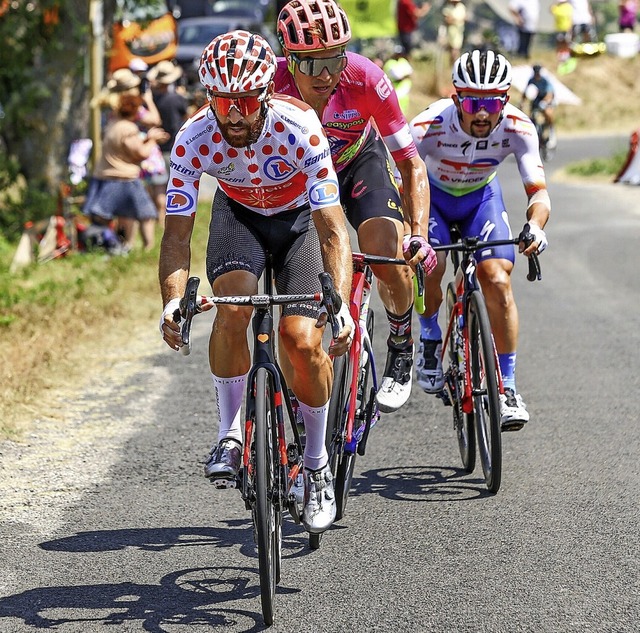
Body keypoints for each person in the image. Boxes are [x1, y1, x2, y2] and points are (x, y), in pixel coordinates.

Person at [158, 30, 355, 535]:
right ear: (210, 99)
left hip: (298, 223)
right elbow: (177, 237)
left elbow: (333, 227)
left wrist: (341, 305)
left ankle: (315, 465)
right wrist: (171, 303)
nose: (237, 115)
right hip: (239, 217)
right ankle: (228, 433)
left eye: (247, 101)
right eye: (225, 103)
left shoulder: (300, 126)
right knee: (232, 309)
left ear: (266, 93)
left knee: (301, 339)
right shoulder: (193, 137)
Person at [275, 0, 437, 414]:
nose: (326, 74)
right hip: (297, 180)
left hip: (356, 164)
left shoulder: (366, 78)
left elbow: (410, 162)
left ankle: (400, 343)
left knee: (387, 251)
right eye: (311, 64)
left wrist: (417, 231)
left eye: (334, 58)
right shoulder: (272, 86)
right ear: (289, 59)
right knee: (304, 280)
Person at [408, 49, 550, 430]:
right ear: (456, 99)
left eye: (492, 102)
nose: (483, 113)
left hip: (480, 199)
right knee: (429, 266)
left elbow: (538, 192)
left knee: (498, 278)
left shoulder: (519, 127)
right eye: (473, 102)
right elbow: (402, 181)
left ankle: (506, 387)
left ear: (505, 100)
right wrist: (412, 232)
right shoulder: (427, 127)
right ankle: (431, 337)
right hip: (433, 200)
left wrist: (535, 227)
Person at [84, 88, 169, 251]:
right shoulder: (128, 129)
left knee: (120, 215)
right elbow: (141, 153)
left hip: (109, 176)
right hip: (124, 177)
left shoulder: (113, 123)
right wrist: (152, 139)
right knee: (147, 213)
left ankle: (124, 245)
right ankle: (148, 248)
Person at [147, 60, 189, 226]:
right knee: (175, 187)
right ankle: (173, 219)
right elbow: (187, 118)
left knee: (158, 186)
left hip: (155, 148)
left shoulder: (152, 99)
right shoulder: (177, 99)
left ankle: (159, 217)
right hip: (175, 147)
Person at [521, 64, 557, 149]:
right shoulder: (531, 80)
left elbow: (550, 93)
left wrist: (545, 102)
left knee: (547, 113)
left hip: (547, 100)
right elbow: (526, 92)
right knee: (532, 117)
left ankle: (551, 131)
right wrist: (522, 103)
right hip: (536, 99)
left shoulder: (545, 81)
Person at [382, 46, 414, 115]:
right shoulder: (390, 63)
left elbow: (410, 73)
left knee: (403, 111)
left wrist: (404, 77)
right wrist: (404, 77)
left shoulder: (403, 61)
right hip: (394, 90)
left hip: (404, 90)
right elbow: (397, 77)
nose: (399, 56)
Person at [441, 0, 466, 65]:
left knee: (456, 48)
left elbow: (463, 18)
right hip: (450, 31)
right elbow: (447, 20)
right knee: (452, 49)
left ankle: (455, 64)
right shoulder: (448, 7)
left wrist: (453, 19)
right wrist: (455, 20)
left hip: (459, 31)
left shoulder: (461, 7)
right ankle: (452, 64)